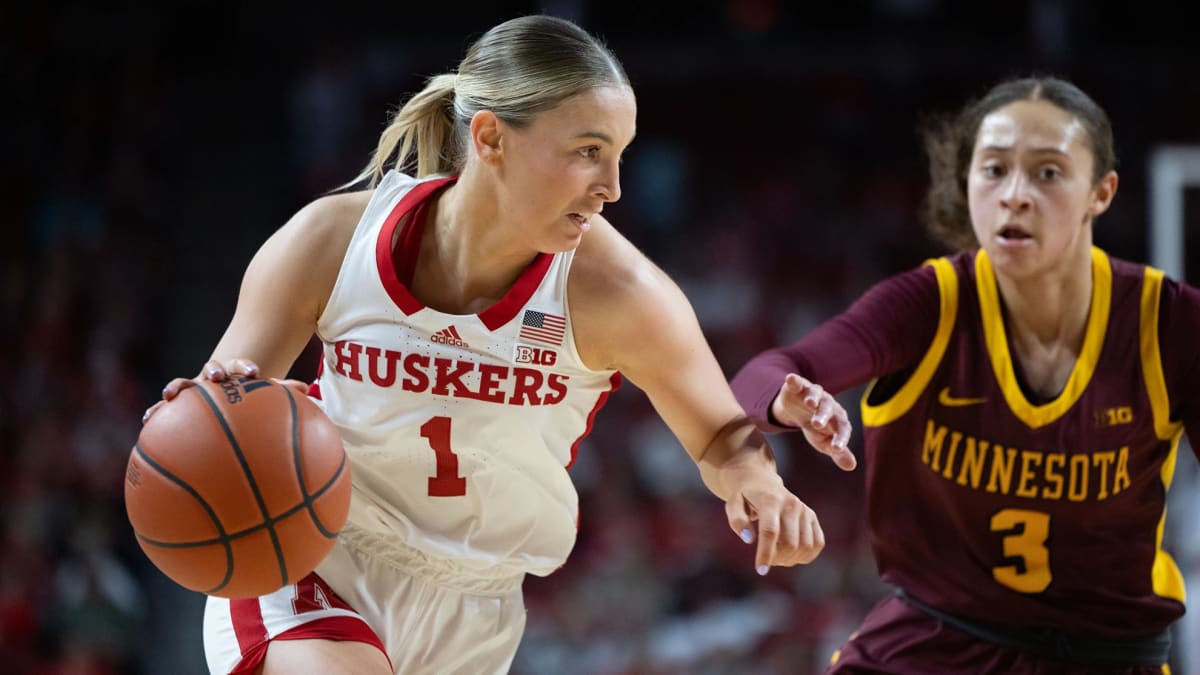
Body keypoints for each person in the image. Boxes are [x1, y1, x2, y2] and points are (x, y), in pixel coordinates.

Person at [141, 15, 854, 675]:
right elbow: (223, 399)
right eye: (588, 152)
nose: (612, 187)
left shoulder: (622, 292)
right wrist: (206, 412)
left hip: (479, 608)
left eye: (619, 156)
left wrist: (763, 487)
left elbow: (722, 438)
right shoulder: (331, 241)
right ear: (490, 138)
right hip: (315, 559)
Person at [732, 75, 1200, 674]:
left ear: (1100, 193)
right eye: (994, 170)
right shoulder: (929, 304)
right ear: (967, 181)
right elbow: (763, 374)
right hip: (932, 648)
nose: (1015, 195)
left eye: (1048, 173)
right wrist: (788, 398)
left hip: (1106, 657)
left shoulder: (1168, 323)